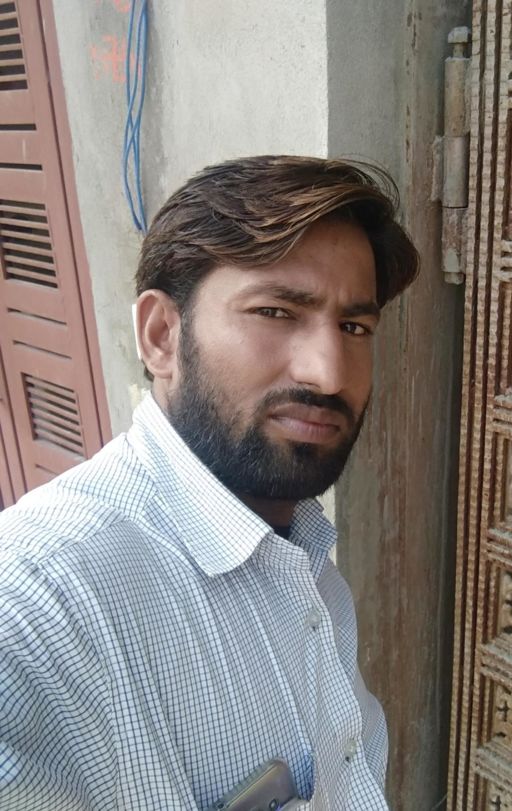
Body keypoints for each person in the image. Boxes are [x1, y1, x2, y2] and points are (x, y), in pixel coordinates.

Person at [0, 156, 419, 810]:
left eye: (354, 327)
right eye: (275, 311)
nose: (330, 373)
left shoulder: (305, 556)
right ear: (161, 336)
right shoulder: (42, 600)